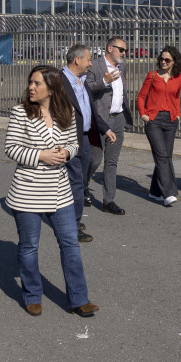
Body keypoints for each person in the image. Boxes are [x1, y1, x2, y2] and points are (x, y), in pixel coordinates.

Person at [4, 66, 98, 318]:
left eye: (37, 83)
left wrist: (66, 152)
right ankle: (32, 295)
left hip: (59, 191)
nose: (31, 88)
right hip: (27, 191)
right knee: (29, 246)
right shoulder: (20, 112)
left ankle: (79, 298)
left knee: (70, 244)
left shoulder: (64, 111)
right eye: (30, 83)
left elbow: (74, 143)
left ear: (52, 89)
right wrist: (41, 155)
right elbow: (11, 148)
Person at [61, 44, 114, 242]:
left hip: (84, 138)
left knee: (81, 182)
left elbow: (89, 111)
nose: (91, 64)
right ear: (77, 60)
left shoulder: (82, 80)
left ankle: (71, 218)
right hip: (68, 139)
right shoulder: (60, 81)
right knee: (75, 183)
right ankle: (72, 227)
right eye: (88, 59)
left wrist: (105, 128)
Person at [86, 36, 134, 215]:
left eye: (125, 51)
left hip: (118, 118)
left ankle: (109, 201)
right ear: (109, 48)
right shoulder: (95, 66)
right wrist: (104, 81)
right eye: (121, 50)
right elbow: (87, 89)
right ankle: (82, 186)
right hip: (99, 119)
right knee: (95, 159)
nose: (124, 53)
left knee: (112, 162)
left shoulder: (122, 66)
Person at [137, 46, 181, 206]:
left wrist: (177, 115)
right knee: (162, 156)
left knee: (165, 156)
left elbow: (177, 97)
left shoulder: (179, 78)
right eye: (162, 59)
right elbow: (141, 96)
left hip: (170, 120)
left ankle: (155, 192)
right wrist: (144, 115)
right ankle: (169, 193)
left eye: (167, 60)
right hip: (154, 120)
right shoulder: (152, 76)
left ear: (174, 62)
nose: (163, 62)